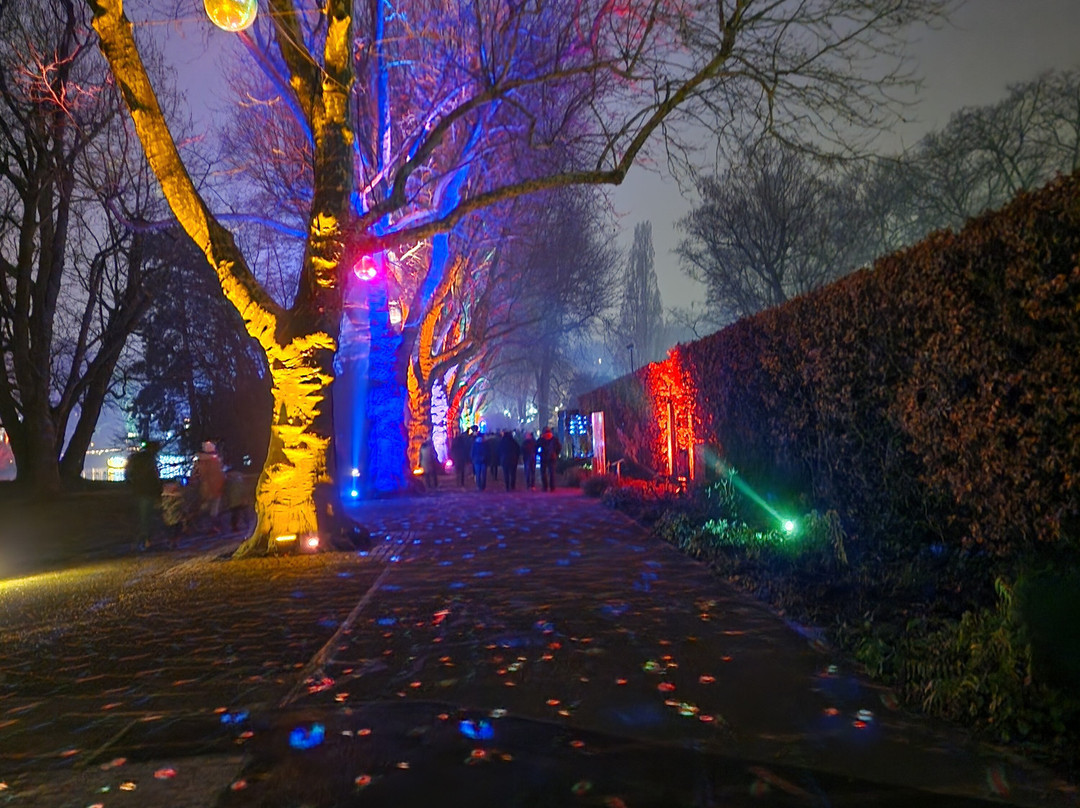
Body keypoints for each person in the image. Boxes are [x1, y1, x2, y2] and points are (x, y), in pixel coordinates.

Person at [126, 441, 162, 550]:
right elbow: (154, 477)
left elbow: (128, 474)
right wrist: (158, 490)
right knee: (147, 516)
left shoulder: (135, 458)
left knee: (142, 516)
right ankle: (145, 539)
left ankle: (142, 539)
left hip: (138, 490)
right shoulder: (150, 460)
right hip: (148, 491)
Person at [191, 441, 226, 532]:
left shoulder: (199, 461)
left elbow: (196, 474)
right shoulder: (216, 461)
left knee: (204, 508)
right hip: (216, 489)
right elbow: (220, 476)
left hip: (204, 489)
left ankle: (205, 527)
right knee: (214, 510)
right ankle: (215, 527)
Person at [224, 466, 253, 533]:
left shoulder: (230, 481)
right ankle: (245, 525)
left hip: (236, 500)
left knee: (238, 513)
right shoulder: (237, 479)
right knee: (239, 513)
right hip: (237, 499)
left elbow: (227, 491)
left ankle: (239, 526)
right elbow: (243, 488)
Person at [538, 426, 561, 492]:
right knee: (552, 473)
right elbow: (559, 447)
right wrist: (556, 453)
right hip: (552, 457)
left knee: (543, 472)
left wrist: (539, 454)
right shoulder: (554, 439)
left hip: (543, 457)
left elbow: (536, 446)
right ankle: (552, 487)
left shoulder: (541, 439)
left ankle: (545, 487)